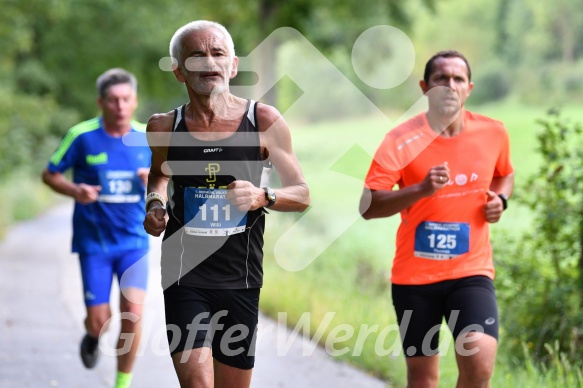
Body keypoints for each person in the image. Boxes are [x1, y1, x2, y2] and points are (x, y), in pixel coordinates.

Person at [142, 20, 309, 388]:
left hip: (241, 277)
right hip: (184, 274)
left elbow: (302, 193)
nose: (208, 63)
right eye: (196, 55)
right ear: (178, 71)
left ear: (233, 65)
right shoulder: (164, 127)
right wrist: (154, 203)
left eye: (218, 53)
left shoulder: (263, 121)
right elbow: (159, 175)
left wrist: (264, 196)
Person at [359, 50, 514, 387]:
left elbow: (505, 174)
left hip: (470, 271)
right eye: (440, 78)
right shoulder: (399, 140)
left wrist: (500, 199)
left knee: (479, 360)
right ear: (424, 87)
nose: (449, 85)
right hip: (415, 279)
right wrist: (420, 189)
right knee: (424, 378)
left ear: (469, 88)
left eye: (458, 79)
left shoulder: (493, 133)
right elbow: (368, 206)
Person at [42, 68, 150, 388]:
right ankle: (92, 335)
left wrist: (155, 179)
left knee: (133, 314)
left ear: (135, 101)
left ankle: (122, 383)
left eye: (126, 99)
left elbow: (171, 182)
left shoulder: (150, 138)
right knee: (101, 322)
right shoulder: (82, 136)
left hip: (134, 242)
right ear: (100, 102)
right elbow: (50, 174)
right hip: (95, 244)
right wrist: (75, 190)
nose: (120, 106)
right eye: (113, 100)